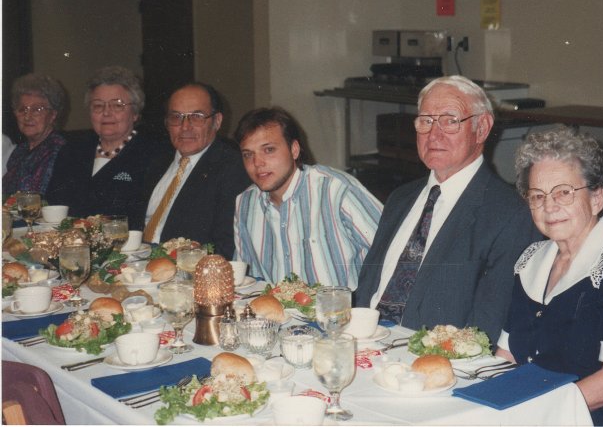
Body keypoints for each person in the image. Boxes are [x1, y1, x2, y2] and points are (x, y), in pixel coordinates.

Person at [495, 126, 603, 426]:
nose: (549, 206)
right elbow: (506, 356)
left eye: (564, 192)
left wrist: (536, 414)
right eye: (537, 195)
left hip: (601, 418)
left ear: (597, 197)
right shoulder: (530, 261)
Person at [354, 76, 540, 342]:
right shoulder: (401, 198)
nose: (434, 134)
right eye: (426, 121)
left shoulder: (509, 214)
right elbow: (367, 291)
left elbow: (486, 330)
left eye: (450, 121)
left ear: (483, 127)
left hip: (430, 364)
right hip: (366, 346)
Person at [233, 107, 383, 289]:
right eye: (248, 155)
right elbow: (244, 281)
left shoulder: (336, 190)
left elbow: (393, 252)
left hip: (338, 314)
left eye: (269, 150)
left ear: (294, 150)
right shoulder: (245, 204)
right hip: (274, 315)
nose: (257, 163)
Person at [142, 83, 250, 260]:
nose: (185, 126)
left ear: (217, 121)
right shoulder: (155, 161)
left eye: (197, 116)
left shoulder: (232, 168)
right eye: (176, 117)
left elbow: (226, 247)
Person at [46, 66, 159, 228]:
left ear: (135, 113)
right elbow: (54, 204)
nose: (106, 112)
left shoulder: (152, 155)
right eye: (98, 105)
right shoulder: (72, 151)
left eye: (117, 105)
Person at [3, 74, 67, 195]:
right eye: (22, 109)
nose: (27, 117)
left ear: (53, 114)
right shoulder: (19, 152)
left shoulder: (60, 150)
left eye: (37, 109)